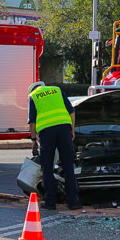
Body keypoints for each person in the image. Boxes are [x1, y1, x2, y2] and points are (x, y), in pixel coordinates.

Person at [27, 81, 81, 211]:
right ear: (44, 85)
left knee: (47, 167)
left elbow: (32, 121)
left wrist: (34, 139)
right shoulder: (57, 90)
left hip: (47, 133)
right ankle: (73, 202)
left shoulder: (33, 96)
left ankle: (50, 203)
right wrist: (72, 130)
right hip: (64, 130)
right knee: (68, 166)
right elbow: (71, 111)